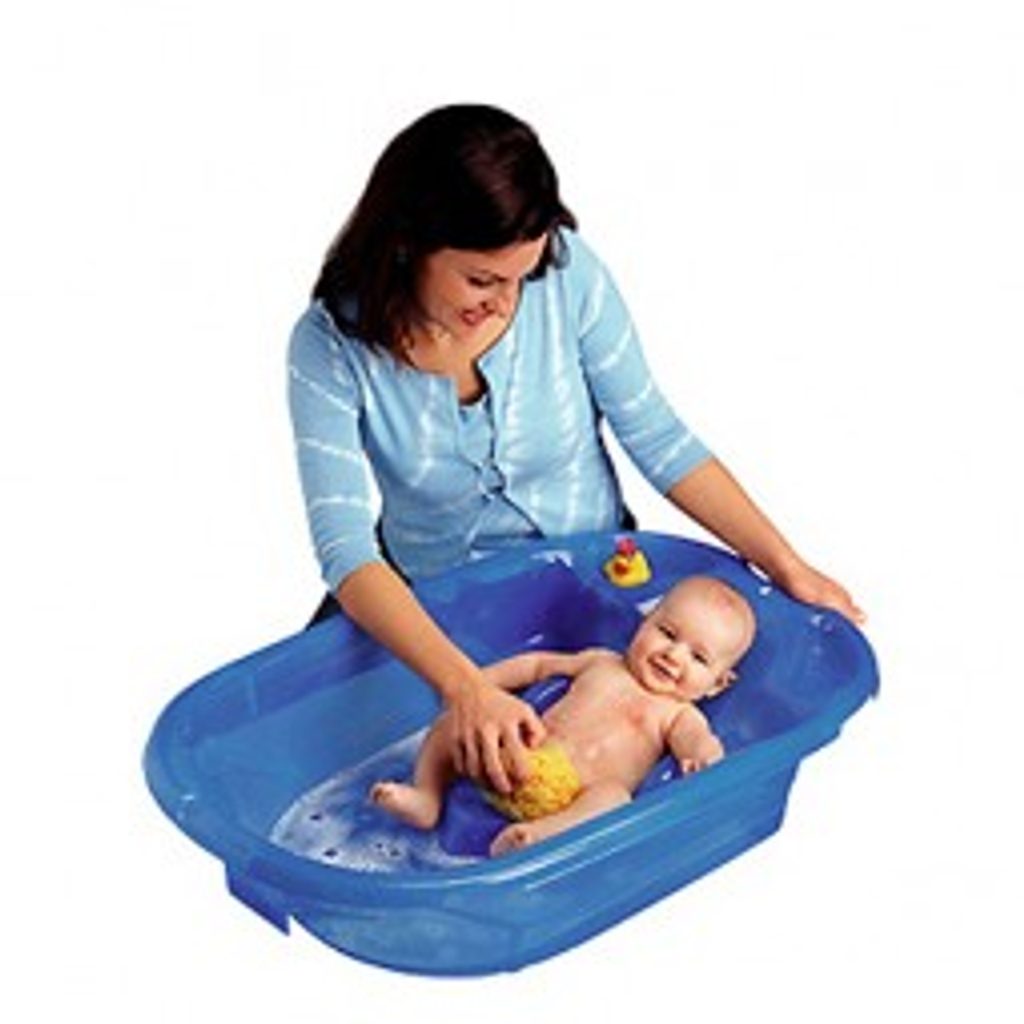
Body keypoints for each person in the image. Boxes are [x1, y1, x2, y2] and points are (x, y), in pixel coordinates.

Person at [287, 103, 864, 800]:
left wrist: (786, 563)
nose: (506, 303)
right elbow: (347, 549)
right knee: (312, 762)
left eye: (522, 278)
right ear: (407, 243)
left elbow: (656, 434)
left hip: (590, 572)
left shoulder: (568, 276)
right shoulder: (329, 347)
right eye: (481, 280)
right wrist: (466, 688)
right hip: (439, 600)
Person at [370, 576, 756, 856]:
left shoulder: (677, 713)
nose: (673, 655)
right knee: (457, 720)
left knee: (614, 798)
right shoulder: (602, 662)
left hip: (575, 798)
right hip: (517, 761)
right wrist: (480, 686)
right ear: (645, 621)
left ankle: (539, 835)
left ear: (717, 684)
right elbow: (538, 665)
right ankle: (427, 795)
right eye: (668, 633)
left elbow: (696, 739)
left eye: (698, 657)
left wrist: (703, 754)